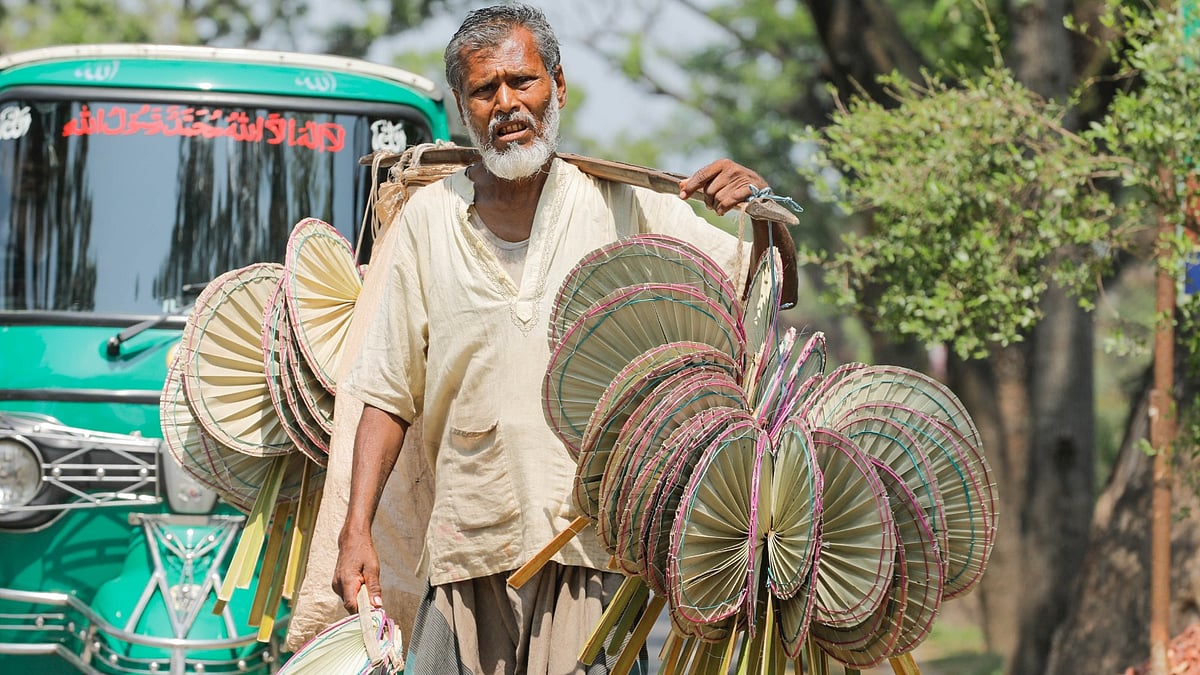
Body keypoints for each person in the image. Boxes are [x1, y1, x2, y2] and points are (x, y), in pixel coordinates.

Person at [332, 4, 797, 673]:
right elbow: (386, 391)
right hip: (468, 546)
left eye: (522, 81)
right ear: (463, 109)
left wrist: (764, 210)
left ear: (559, 87)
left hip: (592, 553)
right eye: (484, 90)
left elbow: (766, 290)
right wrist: (356, 531)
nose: (506, 104)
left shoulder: (626, 207)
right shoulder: (430, 221)